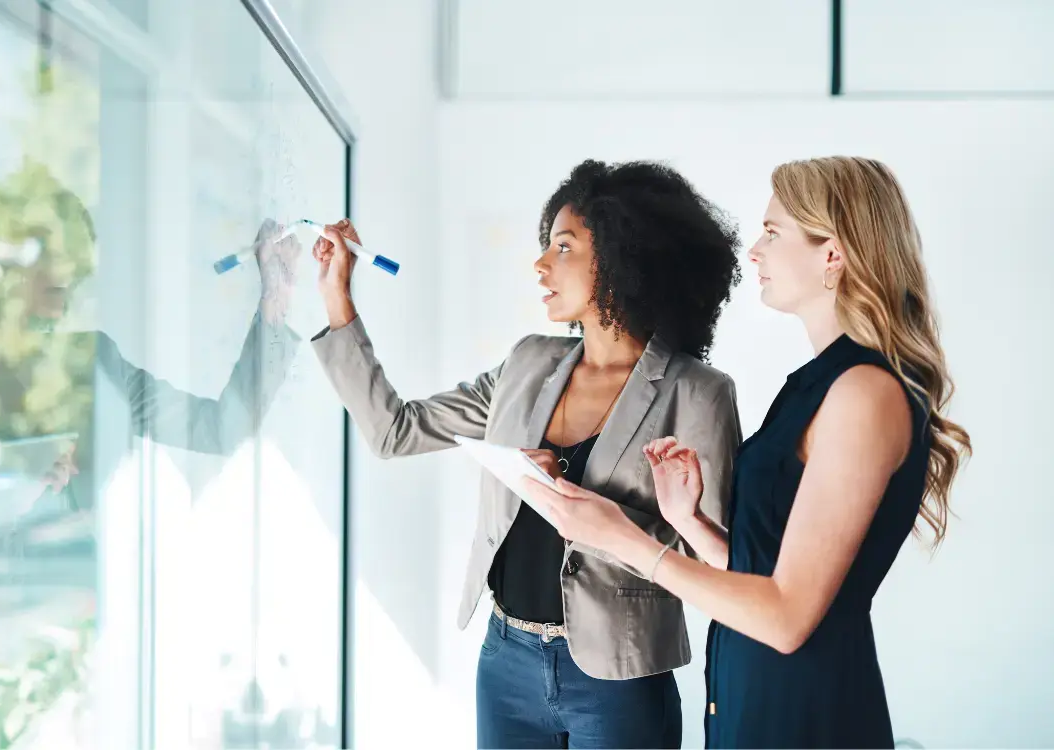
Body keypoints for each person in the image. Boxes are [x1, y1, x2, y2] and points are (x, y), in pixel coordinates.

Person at [523, 156, 972, 748]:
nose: (753, 251)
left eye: (773, 232)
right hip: (751, 702)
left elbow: (786, 618)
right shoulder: (815, 385)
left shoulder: (865, 395)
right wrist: (693, 524)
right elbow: (771, 575)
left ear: (831, 256)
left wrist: (621, 538)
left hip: (805, 717)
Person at [311, 159, 742, 749]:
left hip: (618, 675)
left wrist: (578, 506)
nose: (541, 264)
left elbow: (719, 567)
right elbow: (395, 430)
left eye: (563, 247)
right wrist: (338, 297)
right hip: (505, 661)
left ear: (623, 257)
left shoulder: (698, 393)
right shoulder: (528, 363)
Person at [0, 165, 302, 526]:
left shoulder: (94, 366)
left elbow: (221, 429)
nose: (63, 273)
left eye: (74, 260)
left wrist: (274, 304)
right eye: (47, 251)